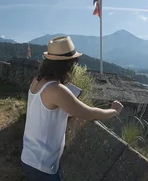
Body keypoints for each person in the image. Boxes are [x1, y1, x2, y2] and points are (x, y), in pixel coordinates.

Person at [21, 36, 123, 181]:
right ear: (68, 65)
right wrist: (114, 111)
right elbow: (88, 112)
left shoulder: (37, 80)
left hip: (29, 157)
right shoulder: (56, 90)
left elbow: (46, 112)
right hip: (42, 165)